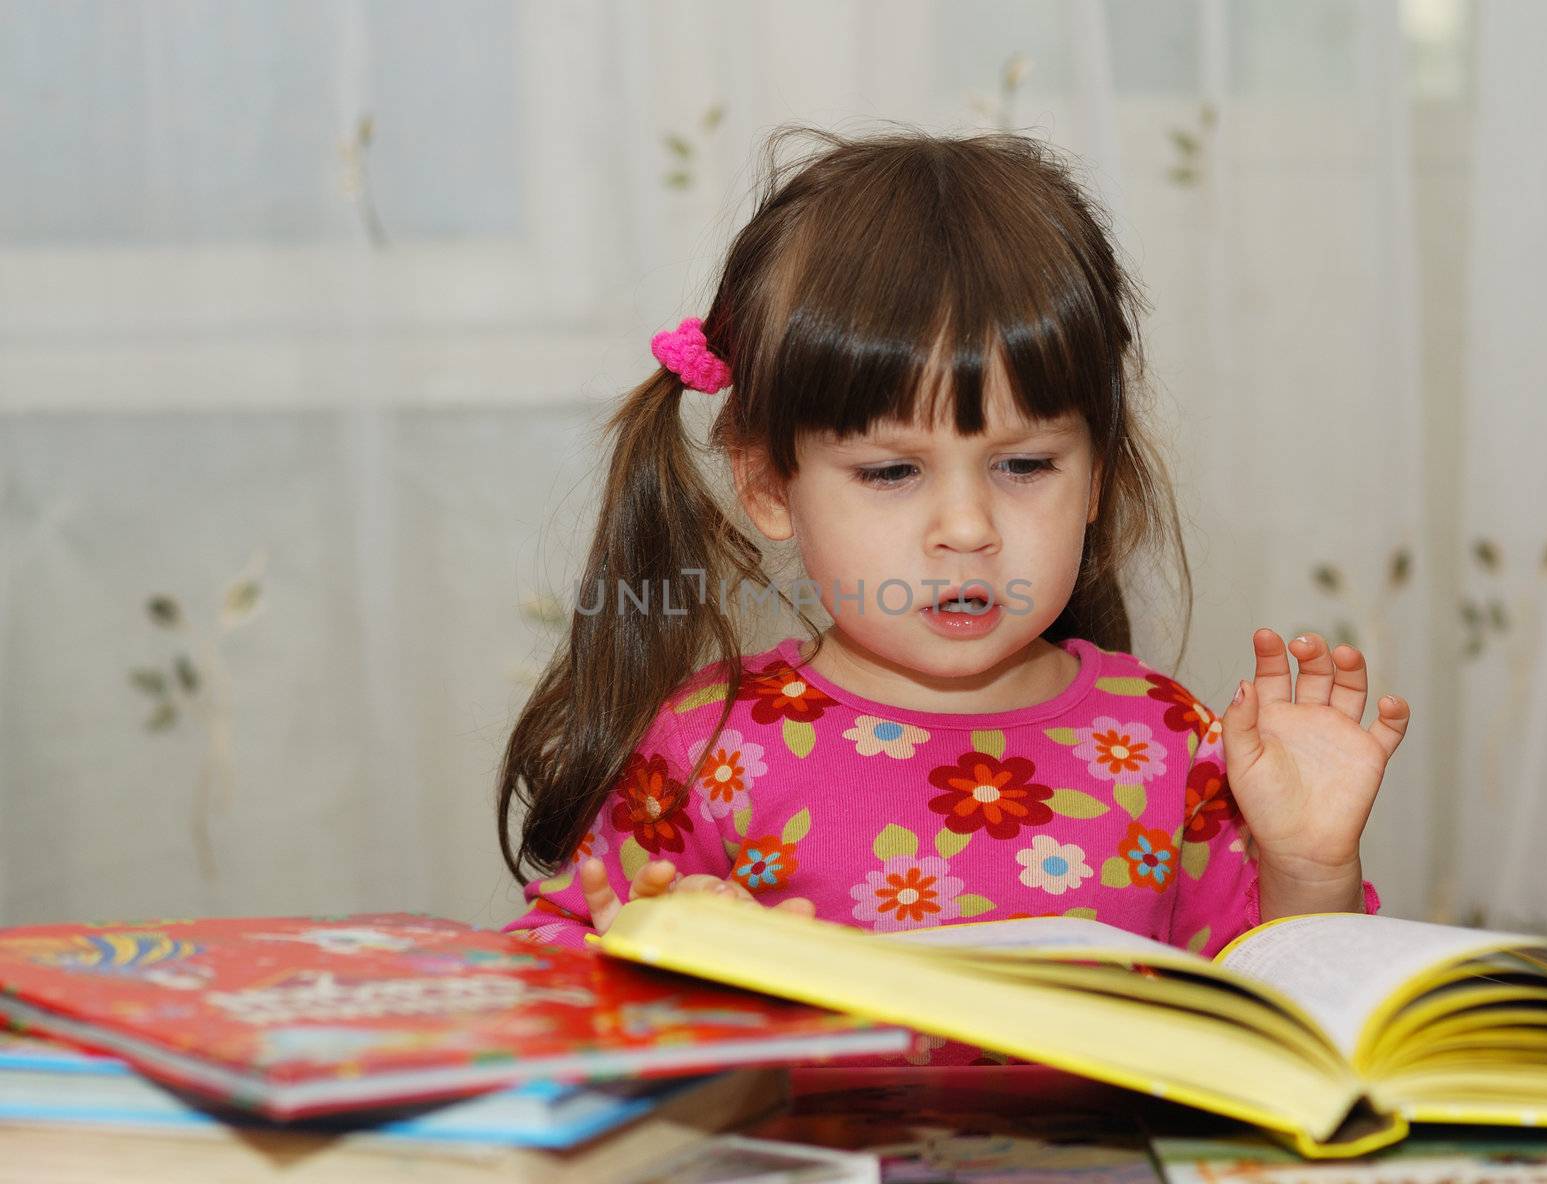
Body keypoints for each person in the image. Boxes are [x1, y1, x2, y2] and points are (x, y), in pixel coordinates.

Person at [495, 127, 1409, 998]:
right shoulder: (708, 746)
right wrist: (662, 958)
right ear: (769, 485)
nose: (967, 527)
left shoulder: (1173, 747)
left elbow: (1283, 1024)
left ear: (1096, 479)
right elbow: (544, 983)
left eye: (1025, 465)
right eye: (892, 471)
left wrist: (1307, 868)